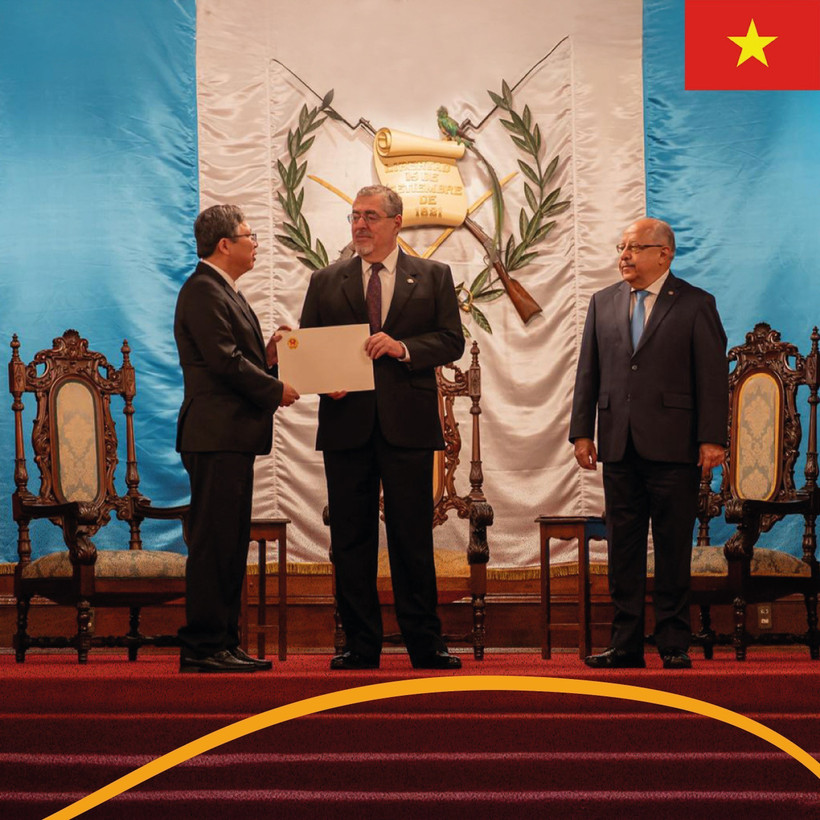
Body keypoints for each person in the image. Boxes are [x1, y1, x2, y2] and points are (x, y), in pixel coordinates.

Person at [300, 184, 465, 670]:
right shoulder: (325, 280)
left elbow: (451, 341)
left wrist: (403, 348)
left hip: (407, 426)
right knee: (351, 540)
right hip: (345, 425)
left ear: (397, 222)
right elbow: (309, 346)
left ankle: (425, 643)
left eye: (370, 216)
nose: (360, 225)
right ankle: (359, 644)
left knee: (412, 537)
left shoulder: (433, 276)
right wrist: (323, 380)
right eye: (354, 216)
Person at [569, 218, 728, 670]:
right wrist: (582, 432)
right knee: (623, 548)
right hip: (618, 444)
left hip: (675, 446)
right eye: (621, 247)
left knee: (673, 546)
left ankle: (674, 641)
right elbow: (588, 371)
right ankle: (625, 645)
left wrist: (712, 439)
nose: (624, 256)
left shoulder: (696, 303)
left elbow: (712, 377)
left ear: (664, 254)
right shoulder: (602, 302)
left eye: (635, 248)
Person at [175, 204, 299, 673]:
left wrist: (268, 356)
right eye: (250, 236)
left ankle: (223, 641)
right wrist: (274, 390)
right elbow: (224, 362)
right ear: (225, 244)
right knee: (214, 542)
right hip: (214, 435)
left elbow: (234, 357)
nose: (256, 244)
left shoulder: (222, 289)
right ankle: (204, 645)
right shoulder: (203, 290)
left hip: (228, 435)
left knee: (228, 542)